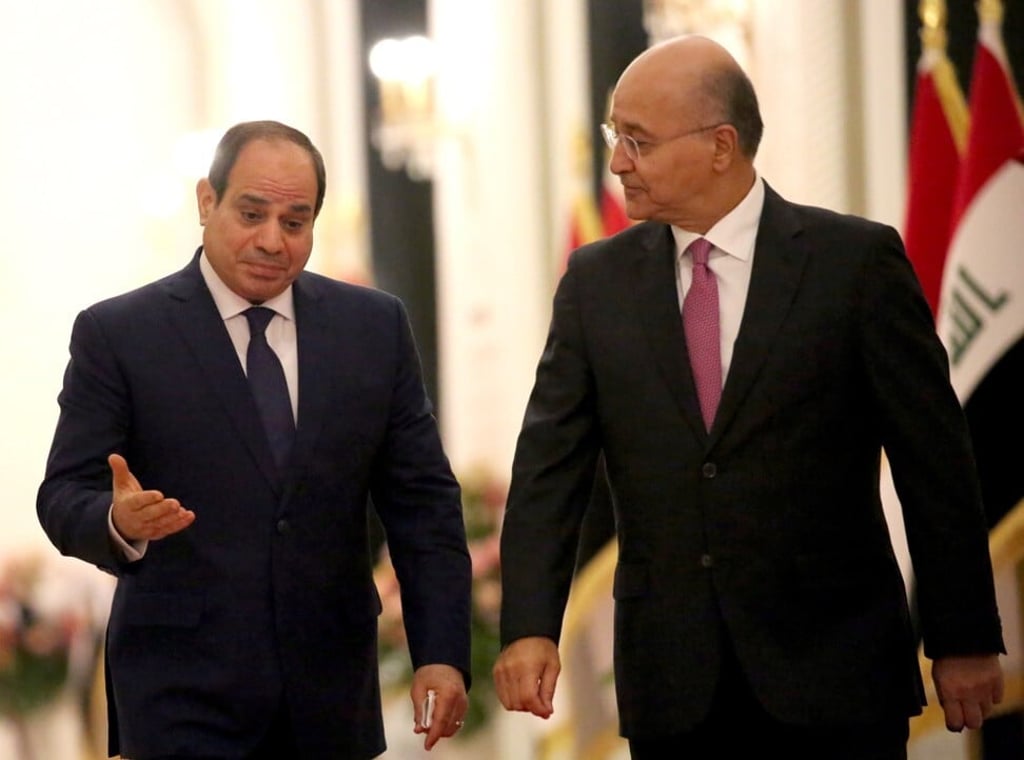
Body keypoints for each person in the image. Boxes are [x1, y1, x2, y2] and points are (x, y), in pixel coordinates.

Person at [492, 35, 1005, 759]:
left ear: (721, 145)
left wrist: (963, 637)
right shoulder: (594, 284)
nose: (617, 163)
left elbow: (935, 463)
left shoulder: (854, 265)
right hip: (674, 681)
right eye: (616, 137)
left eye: (637, 140)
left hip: (839, 672)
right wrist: (529, 626)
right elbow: (550, 468)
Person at [37, 120, 472, 759]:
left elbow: (424, 505)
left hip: (330, 691)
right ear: (207, 202)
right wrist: (117, 519)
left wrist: (440, 654)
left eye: (295, 222)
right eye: (251, 213)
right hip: (180, 694)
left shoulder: (372, 328)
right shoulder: (121, 334)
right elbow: (63, 492)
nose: (272, 240)